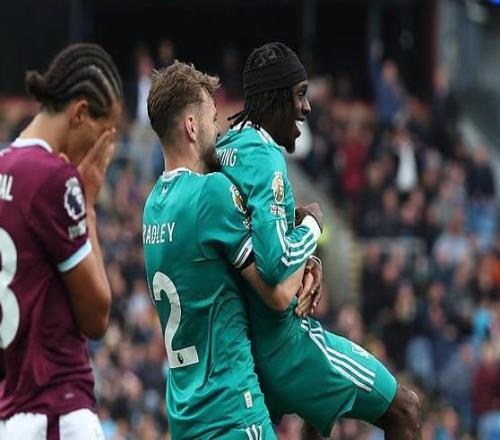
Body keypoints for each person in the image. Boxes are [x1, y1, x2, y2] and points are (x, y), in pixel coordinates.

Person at [217, 42, 421, 439]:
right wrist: (313, 224)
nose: (307, 107)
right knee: (406, 409)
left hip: (245, 351)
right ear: (276, 98)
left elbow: (254, 231)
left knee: (318, 418)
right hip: (284, 346)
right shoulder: (266, 157)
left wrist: (308, 258)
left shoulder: (227, 148)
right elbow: (275, 266)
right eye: (300, 94)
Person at [143, 61, 312, 439]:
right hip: (232, 411)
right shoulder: (210, 193)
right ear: (191, 127)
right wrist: (309, 230)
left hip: (184, 415)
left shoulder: (153, 206)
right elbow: (281, 295)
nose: (218, 130)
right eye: (213, 119)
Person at [0, 43, 122, 439]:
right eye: (104, 135)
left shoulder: (4, 166)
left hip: (13, 408)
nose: (104, 150)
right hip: (56, 408)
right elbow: (97, 315)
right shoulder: (54, 178)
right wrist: (88, 204)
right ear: (80, 113)